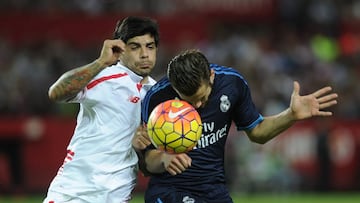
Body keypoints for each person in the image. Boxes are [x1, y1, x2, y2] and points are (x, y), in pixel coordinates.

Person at [141, 49, 338, 203]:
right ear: (174, 88)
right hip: (170, 190)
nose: (198, 106)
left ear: (211, 76)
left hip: (214, 190)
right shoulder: (157, 99)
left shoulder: (232, 84)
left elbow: (258, 133)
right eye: (189, 101)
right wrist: (164, 159)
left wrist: (291, 115)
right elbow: (145, 162)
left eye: (201, 98)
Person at [43, 16, 159, 203]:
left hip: (117, 196)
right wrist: (101, 62)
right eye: (135, 47)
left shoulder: (156, 94)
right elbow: (56, 93)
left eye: (150, 46)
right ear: (120, 50)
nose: (144, 54)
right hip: (74, 192)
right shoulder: (106, 77)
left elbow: (147, 166)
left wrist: (140, 149)